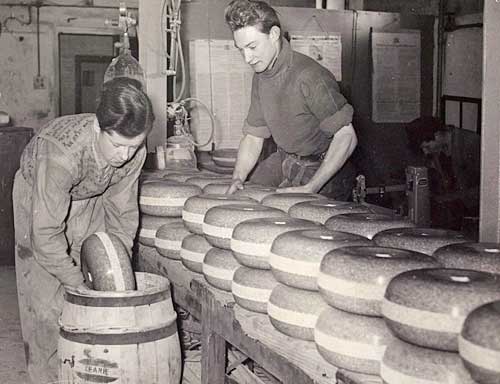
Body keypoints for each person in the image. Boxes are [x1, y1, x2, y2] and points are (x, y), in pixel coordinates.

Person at [12, 77, 154, 383]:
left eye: (134, 146)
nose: (125, 155)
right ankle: (47, 376)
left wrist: (115, 267)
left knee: (100, 285)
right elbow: (46, 237)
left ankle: (84, 373)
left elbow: (122, 215)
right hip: (38, 196)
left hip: (90, 194)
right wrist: (76, 283)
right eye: (117, 144)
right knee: (47, 303)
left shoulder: (132, 152)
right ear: (98, 128)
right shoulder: (62, 154)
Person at [225, 0, 358, 199]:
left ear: (274, 35)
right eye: (241, 49)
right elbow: (254, 137)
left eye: (252, 47)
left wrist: (311, 188)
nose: (247, 58)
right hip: (288, 161)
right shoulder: (261, 76)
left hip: (324, 170)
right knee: (245, 199)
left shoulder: (309, 76)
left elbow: (347, 136)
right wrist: (237, 178)